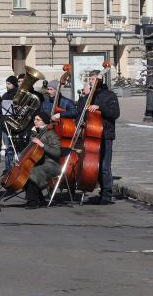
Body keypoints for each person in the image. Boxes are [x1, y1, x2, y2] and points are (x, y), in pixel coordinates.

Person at [57, 69, 119, 204]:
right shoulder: (85, 98)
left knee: (104, 166)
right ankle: (85, 185)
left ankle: (106, 194)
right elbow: (79, 115)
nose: (92, 82)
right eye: (90, 80)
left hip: (105, 135)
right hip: (88, 136)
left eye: (94, 79)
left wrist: (100, 107)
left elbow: (115, 114)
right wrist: (82, 121)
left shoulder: (109, 95)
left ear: (100, 80)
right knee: (88, 164)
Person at [20, 111, 63, 208]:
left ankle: (33, 201)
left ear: (44, 122)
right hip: (39, 162)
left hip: (52, 164)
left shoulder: (51, 134)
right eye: (34, 119)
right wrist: (33, 133)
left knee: (33, 171)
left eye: (38, 120)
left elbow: (57, 153)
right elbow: (30, 149)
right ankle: (39, 198)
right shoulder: (37, 132)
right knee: (24, 171)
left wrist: (42, 145)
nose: (35, 121)